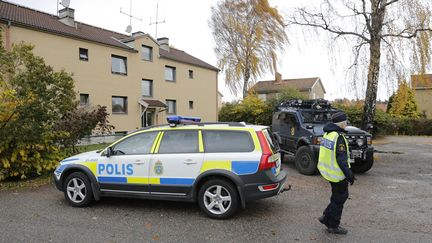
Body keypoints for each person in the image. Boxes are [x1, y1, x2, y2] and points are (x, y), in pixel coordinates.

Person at [317, 112, 355, 234]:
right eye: (345, 121)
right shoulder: (338, 137)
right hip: (338, 175)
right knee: (340, 199)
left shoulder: (328, 134)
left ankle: (326, 217)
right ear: (341, 123)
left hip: (329, 173)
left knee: (336, 198)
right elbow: (341, 160)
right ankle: (333, 225)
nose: (346, 123)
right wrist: (350, 176)